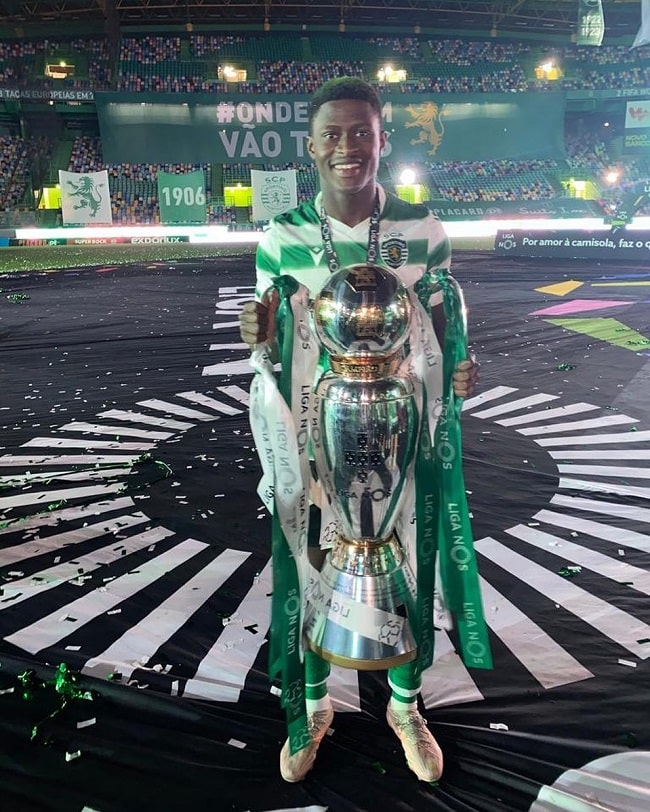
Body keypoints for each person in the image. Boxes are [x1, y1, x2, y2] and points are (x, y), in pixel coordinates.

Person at [239, 77, 479, 784]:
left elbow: (443, 330)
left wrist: (461, 372)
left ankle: (406, 705)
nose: (348, 146)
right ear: (311, 147)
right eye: (332, 134)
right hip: (319, 439)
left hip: (401, 434)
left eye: (361, 132)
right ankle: (315, 705)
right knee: (313, 564)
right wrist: (256, 335)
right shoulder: (280, 237)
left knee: (410, 561)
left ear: (382, 140)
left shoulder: (425, 231)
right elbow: (265, 345)